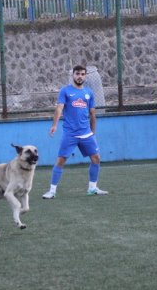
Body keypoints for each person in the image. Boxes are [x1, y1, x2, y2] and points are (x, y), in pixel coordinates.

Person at [42, 65, 108, 199]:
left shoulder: (89, 93)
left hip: (86, 133)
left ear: (85, 76)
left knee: (96, 159)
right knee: (61, 160)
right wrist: (54, 125)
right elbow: (59, 108)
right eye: (77, 74)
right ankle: (52, 191)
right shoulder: (65, 91)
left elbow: (92, 113)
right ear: (73, 75)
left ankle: (92, 188)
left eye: (82, 74)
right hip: (70, 133)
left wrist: (92, 132)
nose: (80, 76)